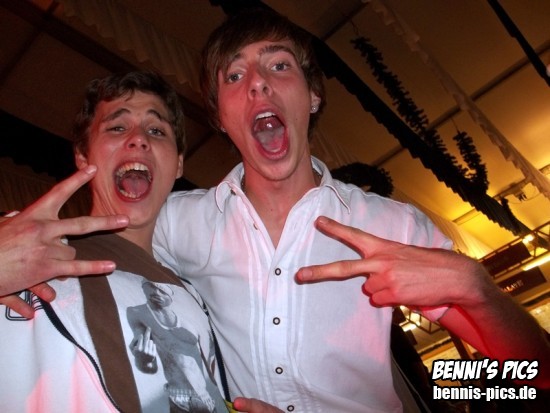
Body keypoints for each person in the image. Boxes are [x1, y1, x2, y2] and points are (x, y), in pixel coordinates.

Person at [1, 8, 549, 412]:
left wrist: (477, 292)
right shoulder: (176, 221)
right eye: (234, 76)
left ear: (313, 95)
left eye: (278, 65)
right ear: (220, 117)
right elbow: (78, 236)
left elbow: (531, 376)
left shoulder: (394, 225)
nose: (258, 83)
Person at [0, 70, 279, 413]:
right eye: (117, 127)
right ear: (83, 156)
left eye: (156, 130)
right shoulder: (26, 254)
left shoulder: (195, 299)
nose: (138, 139)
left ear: (178, 164)